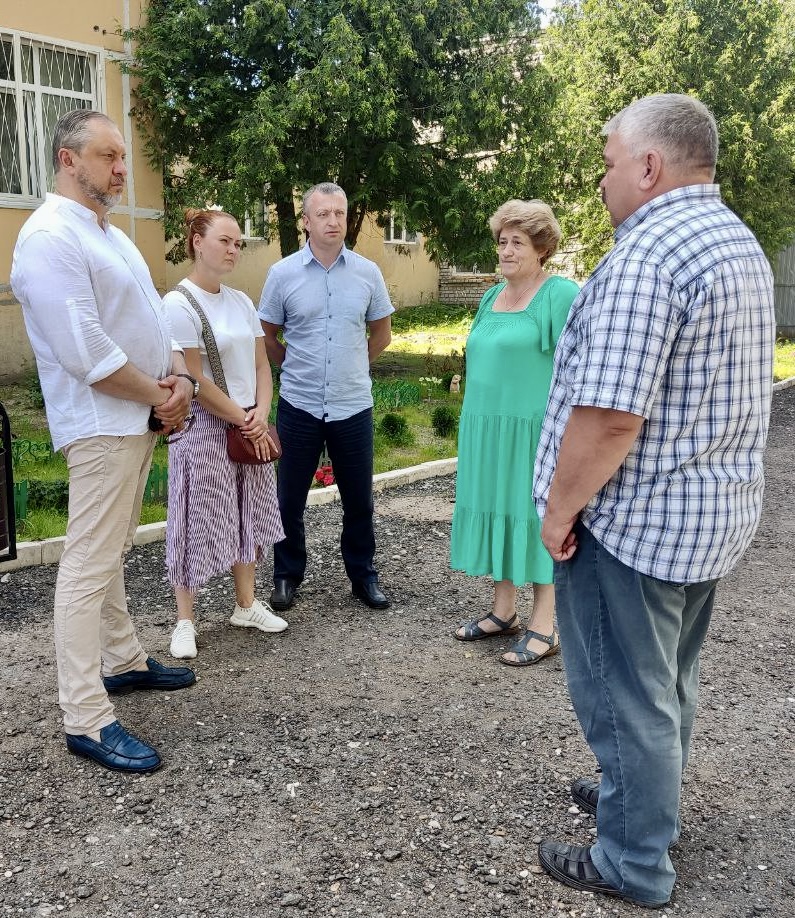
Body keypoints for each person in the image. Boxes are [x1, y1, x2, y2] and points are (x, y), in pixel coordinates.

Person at [533, 94, 775, 907]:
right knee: (666, 682)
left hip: (633, 524)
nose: (601, 180)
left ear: (647, 165)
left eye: (608, 163)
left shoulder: (648, 255)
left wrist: (559, 512)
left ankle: (632, 860)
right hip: (705, 517)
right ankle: (640, 802)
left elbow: (608, 417)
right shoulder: (733, 240)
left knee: (623, 694)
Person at [10, 109, 198, 774]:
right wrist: (161, 395)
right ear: (68, 159)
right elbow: (84, 349)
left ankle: (122, 660)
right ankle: (85, 716)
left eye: (122, 157)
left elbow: (153, 318)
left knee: (111, 550)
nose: (122, 169)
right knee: (89, 563)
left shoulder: (107, 234)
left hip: (136, 417)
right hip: (100, 425)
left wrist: (178, 379)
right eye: (108, 156)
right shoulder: (48, 237)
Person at [451, 200, 578, 665]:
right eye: (502, 241)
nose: (505, 250)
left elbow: (578, 365)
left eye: (517, 242)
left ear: (541, 248)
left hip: (532, 432)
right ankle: (503, 610)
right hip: (485, 429)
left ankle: (545, 625)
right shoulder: (491, 297)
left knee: (532, 516)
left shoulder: (559, 294)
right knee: (496, 507)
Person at [258, 182, 394, 611]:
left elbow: (382, 334)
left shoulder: (368, 273)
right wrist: (295, 365)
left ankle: (363, 576)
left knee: (359, 500)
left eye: (339, 213)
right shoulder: (282, 275)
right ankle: (286, 576)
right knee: (288, 499)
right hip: (299, 404)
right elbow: (266, 336)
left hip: (352, 404)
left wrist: (350, 366)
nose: (333, 221)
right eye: (323, 214)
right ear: (306, 221)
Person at [163, 209, 286, 659]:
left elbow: (261, 366)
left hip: (248, 420)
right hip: (204, 425)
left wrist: (262, 411)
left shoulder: (241, 302)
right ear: (197, 241)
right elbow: (194, 378)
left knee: (248, 509)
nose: (234, 250)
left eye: (238, 243)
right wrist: (244, 418)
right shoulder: (178, 303)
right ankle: (184, 620)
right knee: (192, 515)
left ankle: (246, 604)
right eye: (225, 241)